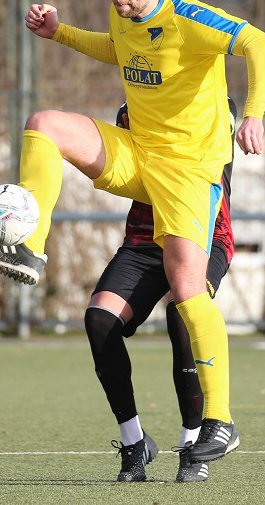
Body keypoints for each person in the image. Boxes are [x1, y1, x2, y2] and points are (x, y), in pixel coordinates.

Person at [0, 0, 265, 464]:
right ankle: (29, 246)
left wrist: (253, 115)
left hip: (186, 170)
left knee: (186, 290)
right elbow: (118, 51)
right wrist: (60, 32)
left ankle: (219, 421)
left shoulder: (189, 19)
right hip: (138, 151)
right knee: (44, 124)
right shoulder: (124, 12)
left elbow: (261, 45)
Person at [90, 100, 236, 483]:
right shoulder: (129, 110)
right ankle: (134, 441)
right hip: (143, 240)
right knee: (99, 320)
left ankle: (193, 443)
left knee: (182, 312)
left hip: (201, 235)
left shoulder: (218, 106)